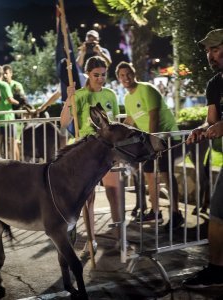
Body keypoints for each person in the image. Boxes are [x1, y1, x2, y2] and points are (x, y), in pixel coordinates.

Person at [60, 56, 120, 257]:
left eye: (103, 75)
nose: (100, 79)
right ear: (88, 74)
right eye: (96, 75)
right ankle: (91, 239)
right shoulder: (80, 95)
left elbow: (115, 124)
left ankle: (119, 233)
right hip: (86, 151)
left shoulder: (110, 94)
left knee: (113, 190)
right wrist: (69, 98)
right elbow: (63, 121)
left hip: (107, 150)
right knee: (88, 198)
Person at [116, 61, 184, 230]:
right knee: (149, 174)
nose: (126, 78)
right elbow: (130, 121)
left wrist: (153, 139)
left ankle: (176, 214)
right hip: (150, 141)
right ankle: (155, 211)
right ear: (119, 78)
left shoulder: (146, 89)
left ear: (134, 73)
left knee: (165, 173)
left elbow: (154, 117)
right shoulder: (127, 97)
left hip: (166, 136)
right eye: (122, 75)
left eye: (128, 73)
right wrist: (116, 136)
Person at [183, 28, 223, 289]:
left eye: (215, 49)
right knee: (217, 215)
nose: (210, 54)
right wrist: (200, 129)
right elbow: (211, 121)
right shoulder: (214, 84)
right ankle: (216, 269)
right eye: (208, 50)